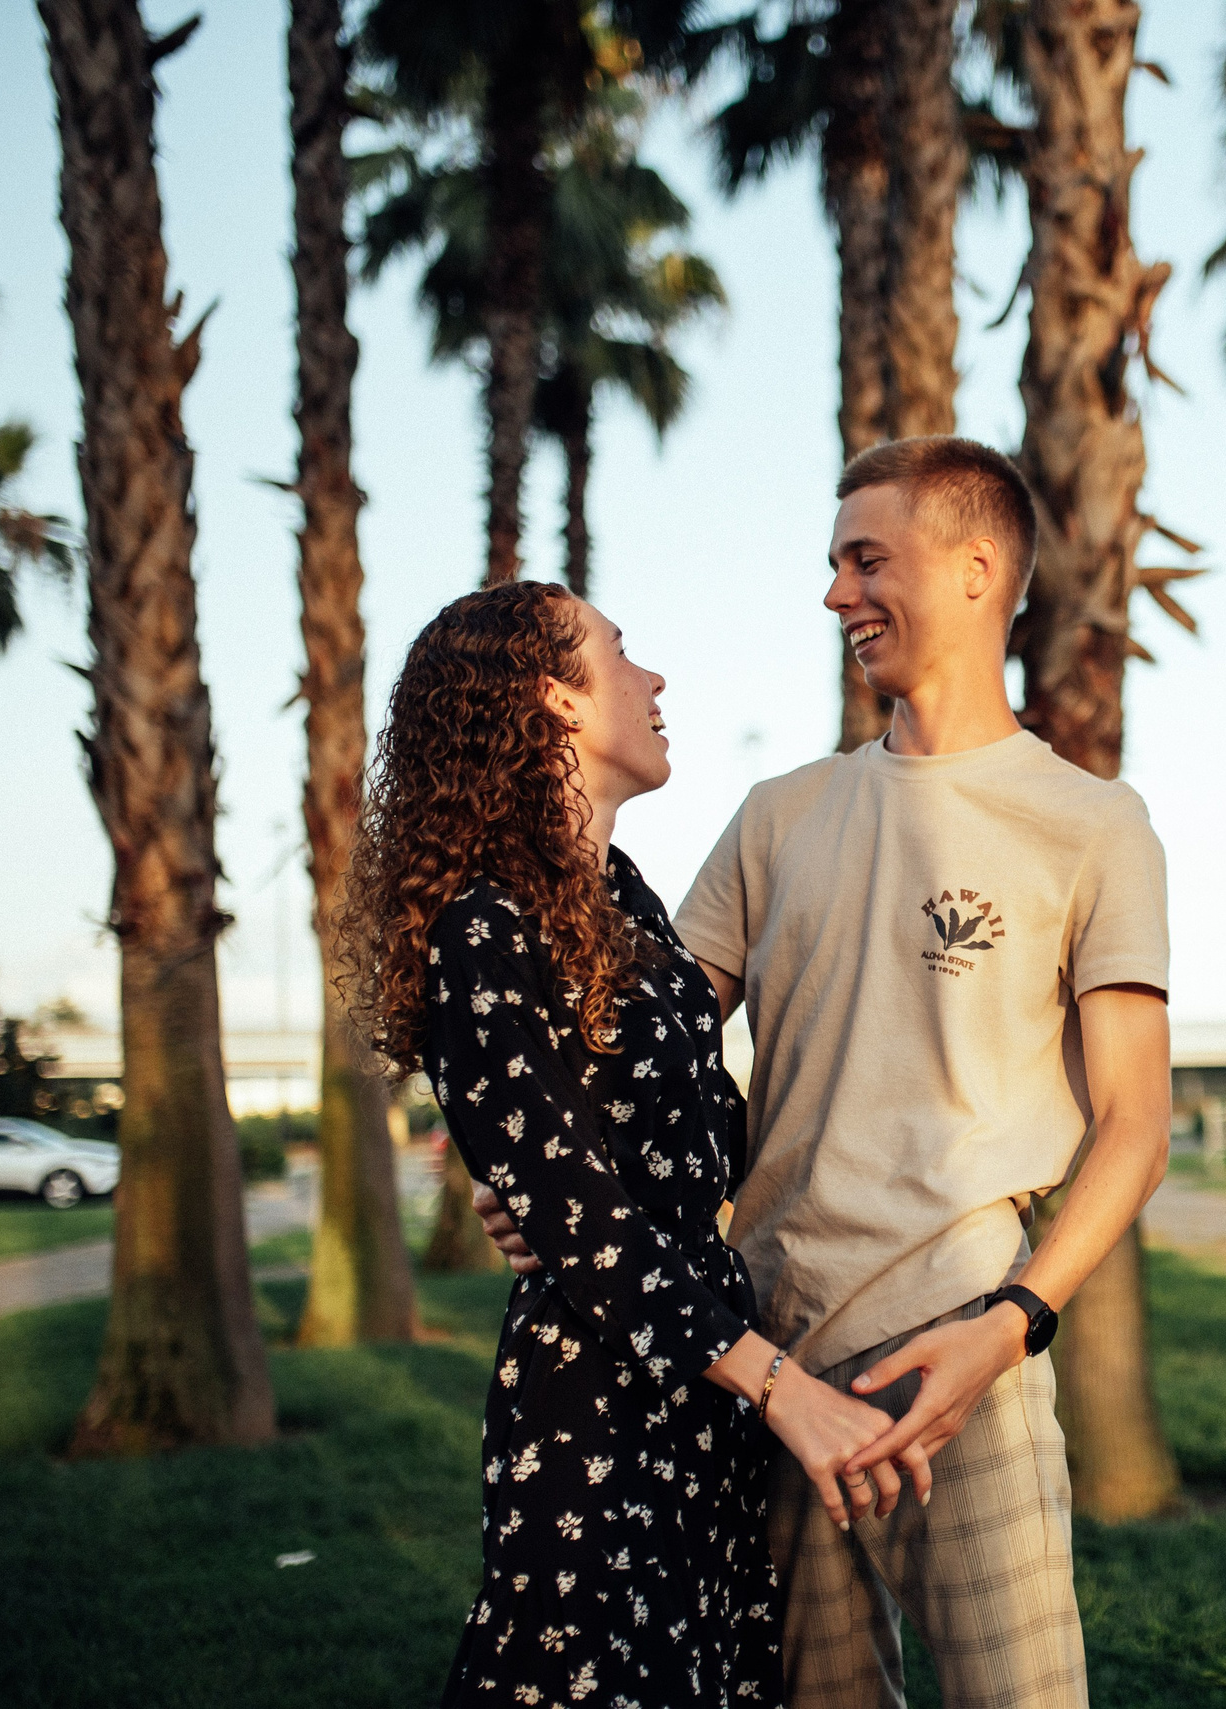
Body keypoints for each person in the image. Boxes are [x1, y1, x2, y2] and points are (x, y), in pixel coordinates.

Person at [479, 436, 1173, 1709]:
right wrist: (545, 1161)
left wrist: (1013, 1324)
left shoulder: (1091, 824)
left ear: (974, 570)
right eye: (833, 562)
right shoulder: (778, 813)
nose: (836, 593)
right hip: (764, 1363)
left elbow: (1136, 1122)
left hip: (957, 1355)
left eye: (866, 558)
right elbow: (647, 1049)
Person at [341, 581, 910, 1709]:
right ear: (554, 699)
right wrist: (783, 1388)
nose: (653, 681)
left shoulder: (622, 900)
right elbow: (581, 1217)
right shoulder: (479, 925)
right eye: (621, 654)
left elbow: (693, 1144)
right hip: (595, 1399)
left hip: (700, 1391)